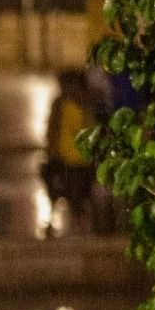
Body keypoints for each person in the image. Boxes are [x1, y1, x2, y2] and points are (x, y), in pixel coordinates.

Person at [44, 69, 98, 233]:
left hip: (80, 160)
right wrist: (51, 150)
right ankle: (64, 222)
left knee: (80, 195)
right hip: (63, 158)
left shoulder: (84, 105)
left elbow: (90, 129)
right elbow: (52, 129)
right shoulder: (59, 104)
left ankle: (82, 224)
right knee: (60, 191)